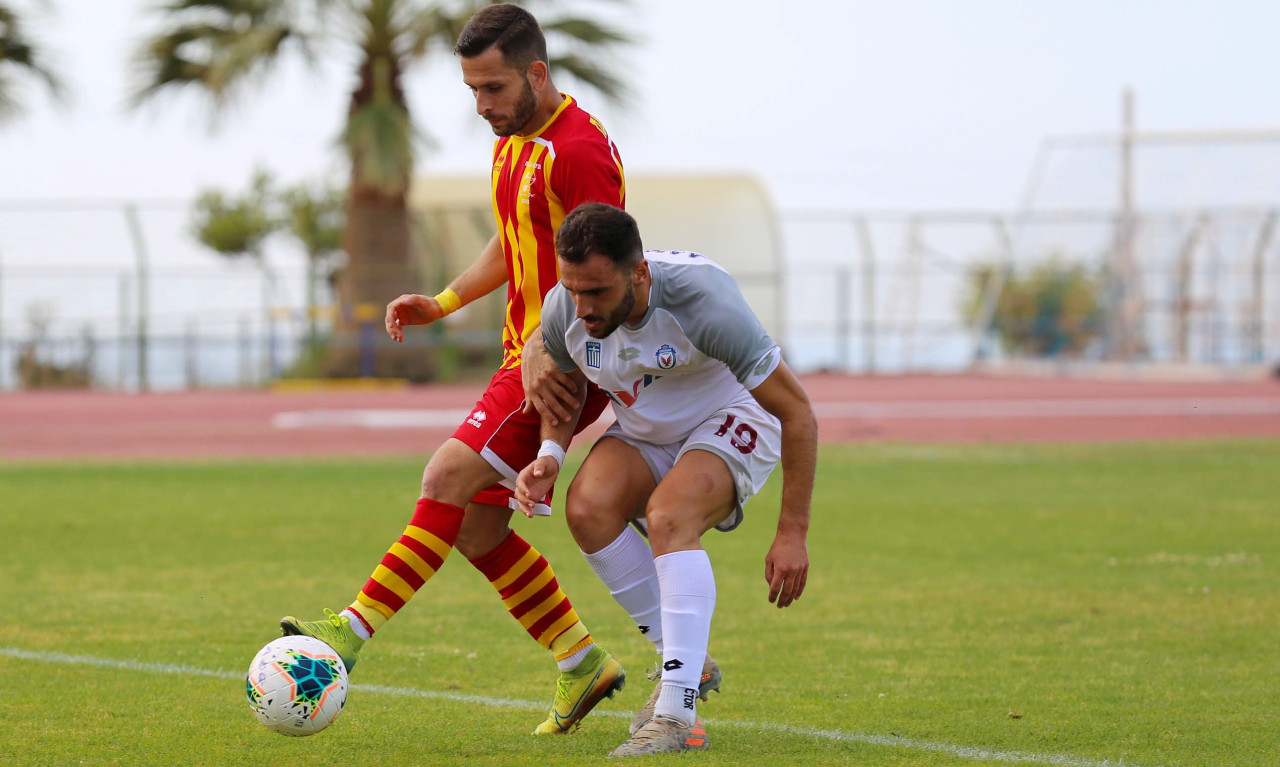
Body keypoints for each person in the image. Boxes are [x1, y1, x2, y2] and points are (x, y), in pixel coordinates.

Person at [280, 4, 627, 735]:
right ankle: (579, 659)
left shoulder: (577, 150)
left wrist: (545, 343)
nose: (482, 106)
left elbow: (601, 273)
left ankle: (347, 634)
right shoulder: (513, 141)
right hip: (522, 354)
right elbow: (515, 241)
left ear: (537, 73)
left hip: (563, 361)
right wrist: (442, 301)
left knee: (444, 478)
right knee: (473, 525)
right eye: (472, 90)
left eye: (494, 88)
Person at [515, 203, 816, 757]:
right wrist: (552, 454)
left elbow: (798, 412)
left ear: (639, 274)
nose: (581, 308)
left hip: (731, 415)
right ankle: (689, 663)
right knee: (587, 508)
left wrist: (792, 531)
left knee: (669, 515)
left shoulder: (702, 301)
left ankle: (676, 715)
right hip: (647, 429)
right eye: (572, 290)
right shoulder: (567, 307)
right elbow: (565, 385)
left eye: (597, 293)